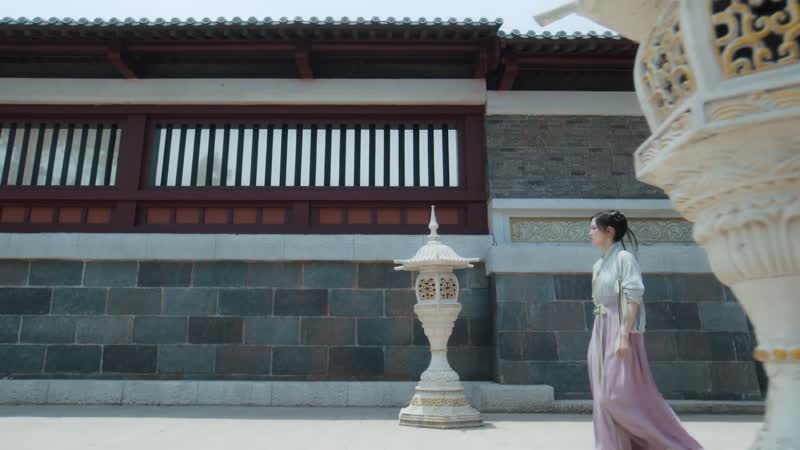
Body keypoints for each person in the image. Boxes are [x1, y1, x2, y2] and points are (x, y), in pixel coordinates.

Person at [588, 210, 703, 450]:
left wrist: (623, 335)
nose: (589, 233)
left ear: (609, 231)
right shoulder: (599, 264)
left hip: (620, 328)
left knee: (617, 396)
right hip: (600, 329)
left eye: (593, 228)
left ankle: (669, 443)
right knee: (601, 397)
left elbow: (633, 297)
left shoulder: (624, 259)